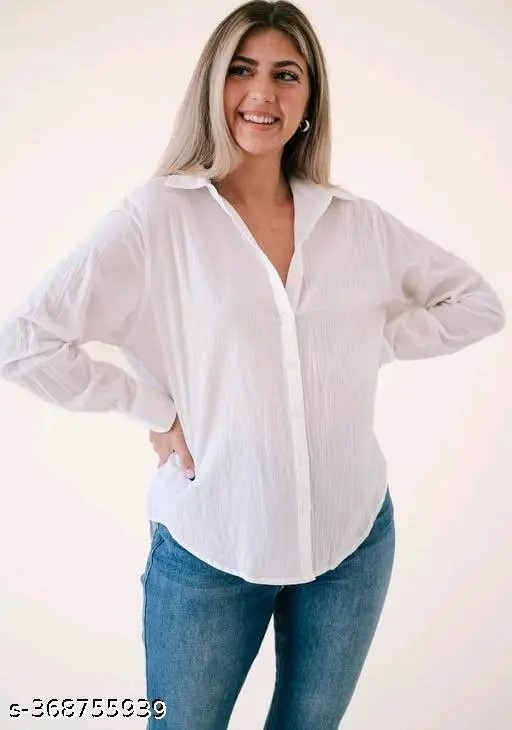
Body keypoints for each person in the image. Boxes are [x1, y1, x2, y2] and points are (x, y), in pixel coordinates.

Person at [0, 1, 505, 728]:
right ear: (213, 85)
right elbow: (26, 342)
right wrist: (154, 408)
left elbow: (477, 304)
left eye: (285, 74)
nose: (262, 93)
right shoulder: (157, 217)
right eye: (242, 70)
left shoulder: (354, 223)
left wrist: (371, 341)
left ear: (310, 98)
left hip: (352, 542)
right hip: (213, 548)